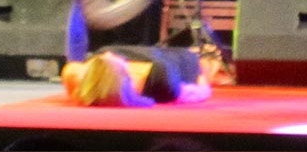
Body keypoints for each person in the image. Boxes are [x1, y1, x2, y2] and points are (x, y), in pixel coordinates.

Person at [61, 45, 216, 106]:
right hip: (175, 61)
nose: (108, 55)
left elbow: (70, 70)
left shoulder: (102, 58)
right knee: (202, 63)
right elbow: (202, 91)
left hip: (169, 57)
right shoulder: (162, 79)